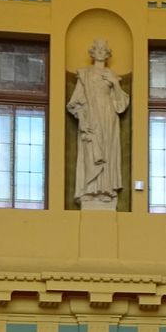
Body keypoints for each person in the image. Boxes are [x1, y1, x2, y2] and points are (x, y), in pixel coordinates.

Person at [66, 39, 129, 209]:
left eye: (103, 49)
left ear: (107, 54)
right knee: (90, 152)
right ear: (92, 52)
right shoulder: (84, 74)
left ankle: (105, 190)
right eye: (97, 48)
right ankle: (89, 190)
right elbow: (74, 102)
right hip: (91, 117)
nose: (100, 51)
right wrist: (82, 117)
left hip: (108, 118)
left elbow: (121, 105)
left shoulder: (112, 75)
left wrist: (115, 83)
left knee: (108, 152)